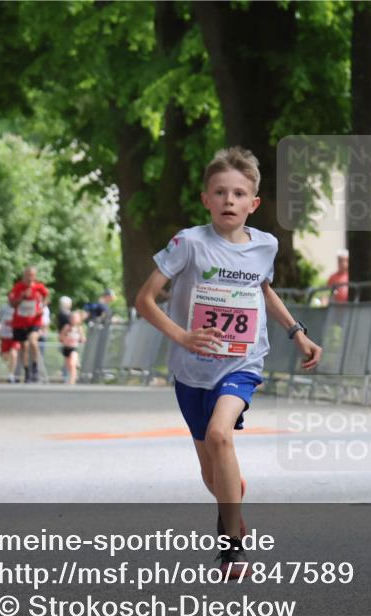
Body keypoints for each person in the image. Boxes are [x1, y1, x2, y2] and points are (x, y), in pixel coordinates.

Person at [134, 146, 321, 579]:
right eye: (220, 193)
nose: (229, 201)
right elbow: (144, 300)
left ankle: (232, 546)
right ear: (206, 199)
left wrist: (297, 333)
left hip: (242, 362)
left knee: (221, 435)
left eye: (239, 194)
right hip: (192, 369)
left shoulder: (265, 245)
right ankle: (233, 507)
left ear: (253, 204)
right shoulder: (189, 243)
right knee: (213, 471)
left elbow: (264, 290)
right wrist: (183, 336)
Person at [8, 266, 49, 383]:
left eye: (32, 275)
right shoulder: (18, 287)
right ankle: (27, 371)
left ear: (35, 276)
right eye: (28, 275)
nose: (30, 278)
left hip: (34, 320)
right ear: (24, 275)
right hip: (20, 322)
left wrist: (43, 306)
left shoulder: (39, 287)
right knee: (24, 347)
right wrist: (22, 297)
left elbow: (47, 296)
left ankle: (35, 367)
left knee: (33, 341)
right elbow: (12, 304)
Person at [59, 310, 86, 385]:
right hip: (67, 348)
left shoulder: (79, 328)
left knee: (72, 364)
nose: (74, 320)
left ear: (78, 320)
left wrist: (79, 337)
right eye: (72, 318)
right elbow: (61, 337)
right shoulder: (67, 327)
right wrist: (66, 336)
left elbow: (83, 339)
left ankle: (72, 383)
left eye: (75, 318)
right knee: (69, 367)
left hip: (74, 348)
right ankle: (71, 379)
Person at [0, 301, 19, 383]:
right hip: (5, 336)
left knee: (13, 354)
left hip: (15, 336)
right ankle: (8, 371)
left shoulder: (19, 308)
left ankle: (11, 375)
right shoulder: (3, 308)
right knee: (5, 356)